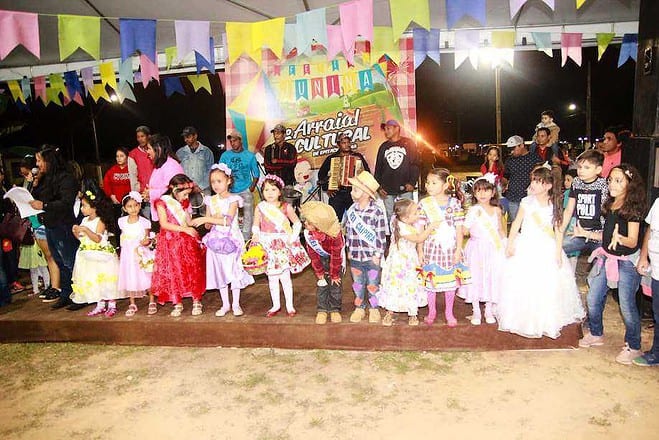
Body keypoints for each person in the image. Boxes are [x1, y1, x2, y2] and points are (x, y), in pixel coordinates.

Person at [498, 165, 585, 338]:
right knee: (525, 283)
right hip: (526, 245)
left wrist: (558, 252)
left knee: (546, 284)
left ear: (548, 186)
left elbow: (558, 229)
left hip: (546, 247)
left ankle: (545, 320)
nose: (534, 184)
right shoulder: (526, 202)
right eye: (533, 180)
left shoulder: (554, 204)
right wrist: (510, 242)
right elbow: (516, 223)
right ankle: (523, 319)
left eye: (538, 182)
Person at [579, 164, 647, 365]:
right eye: (610, 180)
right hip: (607, 257)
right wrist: (586, 233)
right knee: (593, 297)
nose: (612, 184)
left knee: (626, 304)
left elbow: (633, 241)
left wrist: (621, 238)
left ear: (630, 184)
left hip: (626, 262)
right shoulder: (610, 204)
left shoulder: (632, 209)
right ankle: (596, 333)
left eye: (618, 180)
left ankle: (633, 345)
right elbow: (606, 236)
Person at [191, 164, 254, 317]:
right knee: (220, 271)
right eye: (213, 182)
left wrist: (206, 219)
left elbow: (228, 221)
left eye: (219, 181)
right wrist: (208, 221)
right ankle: (225, 304)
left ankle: (236, 304)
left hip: (231, 239)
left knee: (234, 270)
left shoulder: (234, 199)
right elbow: (208, 224)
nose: (216, 185)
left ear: (228, 181)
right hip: (216, 240)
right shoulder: (210, 200)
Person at [29, 145, 81, 310]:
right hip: (50, 224)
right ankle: (66, 293)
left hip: (63, 225)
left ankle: (80, 294)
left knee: (69, 262)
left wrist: (44, 205)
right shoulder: (46, 179)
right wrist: (35, 183)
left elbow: (65, 203)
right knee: (59, 261)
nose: (37, 164)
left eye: (40, 160)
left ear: (49, 160)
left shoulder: (67, 179)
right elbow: (37, 199)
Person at [252, 175, 310, 317]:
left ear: (280, 191)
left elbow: (297, 223)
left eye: (273, 189)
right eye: (266, 190)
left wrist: (293, 237)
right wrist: (256, 234)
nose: (270, 193)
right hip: (267, 244)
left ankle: (290, 305)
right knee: (272, 277)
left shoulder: (286, 207)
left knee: (285, 276)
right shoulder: (260, 207)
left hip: (282, 245)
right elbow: (256, 225)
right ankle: (275, 305)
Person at [151, 174, 206, 317]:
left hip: (185, 243)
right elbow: (164, 224)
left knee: (191, 269)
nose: (186, 197)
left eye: (188, 195)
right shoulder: (162, 203)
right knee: (174, 272)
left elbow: (188, 221)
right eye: (185, 194)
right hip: (169, 243)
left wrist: (200, 219)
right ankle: (177, 302)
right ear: (175, 190)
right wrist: (185, 229)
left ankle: (196, 300)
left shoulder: (182, 203)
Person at [418, 168, 465, 327]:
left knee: (450, 282)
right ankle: (431, 311)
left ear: (445, 185)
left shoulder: (455, 203)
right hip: (431, 248)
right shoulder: (424, 204)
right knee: (431, 281)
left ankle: (449, 312)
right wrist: (420, 250)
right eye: (427, 182)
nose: (429, 186)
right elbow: (420, 229)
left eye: (433, 183)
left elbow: (459, 229)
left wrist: (458, 249)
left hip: (450, 248)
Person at [379, 198, 437, 327]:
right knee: (395, 285)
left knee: (410, 284)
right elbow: (418, 238)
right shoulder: (401, 227)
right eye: (415, 213)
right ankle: (390, 311)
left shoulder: (407, 223)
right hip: (399, 262)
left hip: (410, 260)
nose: (418, 214)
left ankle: (412, 312)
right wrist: (430, 227)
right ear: (405, 217)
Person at [459, 173, 506, 325]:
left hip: (493, 248)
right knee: (475, 277)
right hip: (476, 249)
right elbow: (465, 230)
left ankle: (489, 309)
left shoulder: (497, 210)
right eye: (478, 190)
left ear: (493, 192)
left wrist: (506, 244)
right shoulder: (473, 210)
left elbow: (500, 230)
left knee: (491, 276)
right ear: (474, 193)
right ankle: (476, 311)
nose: (482, 194)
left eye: (486, 190)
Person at [343, 171, 386, 324]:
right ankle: (359, 307)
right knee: (357, 284)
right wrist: (348, 249)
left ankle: (374, 308)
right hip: (355, 256)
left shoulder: (377, 212)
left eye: (355, 189)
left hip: (371, 256)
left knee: (373, 284)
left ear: (367, 194)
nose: (352, 192)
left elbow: (381, 235)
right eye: (352, 189)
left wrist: (378, 254)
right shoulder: (351, 211)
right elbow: (348, 232)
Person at [69, 189, 121, 317]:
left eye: (84, 206)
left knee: (106, 279)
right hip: (87, 255)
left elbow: (97, 239)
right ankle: (100, 304)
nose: (82, 209)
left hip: (101, 255)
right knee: (94, 279)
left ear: (94, 207)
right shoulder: (84, 220)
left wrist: (86, 230)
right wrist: (75, 232)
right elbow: (81, 239)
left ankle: (112, 304)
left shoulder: (100, 221)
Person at [22, 156, 60, 302]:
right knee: (47, 257)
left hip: (45, 222)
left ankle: (57, 286)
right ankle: (53, 285)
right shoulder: (31, 183)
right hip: (35, 223)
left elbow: (43, 200)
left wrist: (36, 183)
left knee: (53, 255)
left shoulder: (46, 182)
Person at [300, 201, 345, 325]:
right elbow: (313, 255)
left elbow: (336, 256)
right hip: (320, 259)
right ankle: (322, 309)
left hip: (335, 261)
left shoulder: (335, 235)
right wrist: (319, 272)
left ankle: (335, 308)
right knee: (322, 285)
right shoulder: (309, 234)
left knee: (335, 285)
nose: (305, 223)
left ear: (319, 225)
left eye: (309, 222)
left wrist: (335, 274)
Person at [561, 149, 608, 265]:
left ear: (598, 169)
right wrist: (561, 231)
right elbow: (569, 210)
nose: (581, 170)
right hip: (579, 233)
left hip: (599, 235)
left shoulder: (604, 184)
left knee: (602, 265)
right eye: (580, 167)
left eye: (587, 167)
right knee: (555, 248)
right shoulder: (576, 182)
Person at [317, 132, 371, 221]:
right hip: (337, 194)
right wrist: (328, 188)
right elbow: (321, 175)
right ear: (338, 145)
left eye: (348, 142)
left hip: (353, 193)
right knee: (335, 220)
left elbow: (367, 172)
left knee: (356, 219)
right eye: (343, 143)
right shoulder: (332, 158)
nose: (347, 145)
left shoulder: (357, 156)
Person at [374, 119, 419, 223]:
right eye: (385, 129)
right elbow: (378, 168)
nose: (386, 131)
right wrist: (379, 188)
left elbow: (415, 164)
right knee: (390, 216)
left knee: (408, 213)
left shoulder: (409, 143)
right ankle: (394, 233)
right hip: (387, 189)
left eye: (388, 128)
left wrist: (412, 182)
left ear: (397, 129)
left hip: (405, 188)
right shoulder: (383, 146)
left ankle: (409, 233)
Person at [117, 191, 153, 317]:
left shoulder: (144, 222)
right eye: (130, 206)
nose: (133, 209)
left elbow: (147, 239)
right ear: (124, 208)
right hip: (128, 254)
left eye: (136, 205)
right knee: (130, 276)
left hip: (141, 253)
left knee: (146, 275)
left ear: (140, 206)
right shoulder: (122, 221)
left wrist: (145, 242)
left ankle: (152, 300)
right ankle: (132, 303)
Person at [220, 130, 260, 240]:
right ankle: (232, 237)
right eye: (231, 141)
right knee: (230, 215)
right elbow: (220, 172)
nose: (232, 143)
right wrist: (224, 188)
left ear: (240, 141)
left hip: (245, 189)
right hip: (230, 191)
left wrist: (251, 188)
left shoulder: (249, 156)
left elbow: (256, 174)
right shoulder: (225, 155)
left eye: (235, 141)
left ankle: (246, 238)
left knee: (248, 215)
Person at [635, 196, 659, 366]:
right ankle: (656, 352)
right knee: (657, 313)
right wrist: (643, 256)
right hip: (656, 269)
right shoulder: (658, 203)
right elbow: (650, 230)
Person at [146, 134, 185, 223]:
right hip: (165, 214)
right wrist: (149, 193)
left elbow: (175, 190)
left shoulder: (171, 166)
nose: (147, 152)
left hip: (173, 217)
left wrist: (151, 193)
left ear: (158, 148)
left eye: (149, 148)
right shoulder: (161, 164)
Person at [503, 135, 541, 222]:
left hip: (530, 197)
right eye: (510, 149)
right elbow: (506, 176)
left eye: (514, 148)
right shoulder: (509, 160)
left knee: (529, 223)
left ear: (522, 145)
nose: (512, 151)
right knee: (515, 222)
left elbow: (542, 175)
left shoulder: (535, 158)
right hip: (513, 197)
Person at [176, 126, 215, 195]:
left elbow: (210, 171)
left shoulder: (206, 151)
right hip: (186, 190)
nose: (185, 140)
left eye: (188, 137)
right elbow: (178, 171)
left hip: (203, 190)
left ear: (195, 136)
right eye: (184, 137)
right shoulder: (180, 152)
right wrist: (184, 186)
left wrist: (200, 186)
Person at [128, 126, 154, 216]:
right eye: (138, 137)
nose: (140, 139)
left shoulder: (154, 151)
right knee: (146, 219)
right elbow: (133, 176)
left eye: (142, 136)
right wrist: (137, 193)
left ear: (148, 136)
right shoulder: (133, 154)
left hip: (156, 191)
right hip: (143, 193)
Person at [103, 147, 132, 219]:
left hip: (131, 202)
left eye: (121, 156)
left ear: (127, 157)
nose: (119, 158)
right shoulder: (112, 170)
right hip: (117, 202)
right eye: (117, 156)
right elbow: (106, 184)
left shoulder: (132, 169)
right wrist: (111, 195)